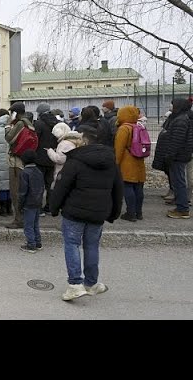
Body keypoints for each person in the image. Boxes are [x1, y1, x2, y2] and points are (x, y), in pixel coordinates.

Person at [50, 126, 123, 301]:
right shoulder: (111, 162)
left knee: (72, 244)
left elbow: (62, 186)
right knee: (91, 246)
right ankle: (91, 283)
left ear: (85, 140)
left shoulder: (76, 160)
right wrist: (113, 213)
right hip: (98, 212)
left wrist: (53, 207)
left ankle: (75, 284)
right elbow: (118, 189)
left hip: (74, 211)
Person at [156, 98, 193, 219]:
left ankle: (183, 209)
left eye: (172, 104)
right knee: (178, 181)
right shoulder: (179, 118)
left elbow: (176, 141)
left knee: (179, 182)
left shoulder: (180, 121)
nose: (170, 106)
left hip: (177, 157)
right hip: (178, 156)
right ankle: (180, 205)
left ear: (178, 106)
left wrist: (169, 155)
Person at [5, 102, 35, 229]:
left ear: (15, 112)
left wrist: (7, 126)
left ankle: (18, 220)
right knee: (24, 191)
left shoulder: (19, 123)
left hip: (16, 162)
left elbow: (9, 138)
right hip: (25, 161)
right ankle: (25, 218)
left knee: (15, 191)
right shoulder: (29, 123)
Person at [114, 105, 146, 222]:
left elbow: (119, 148)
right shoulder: (139, 126)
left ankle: (130, 213)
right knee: (138, 187)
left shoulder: (124, 128)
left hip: (127, 162)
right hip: (139, 161)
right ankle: (139, 213)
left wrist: (116, 163)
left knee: (127, 186)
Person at [33, 103, 59, 215]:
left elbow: (35, 140)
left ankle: (39, 209)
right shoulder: (57, 123)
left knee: (39, 185)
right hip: (52, 157)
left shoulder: (39, 124)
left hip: (40, 157)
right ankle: (50, 207)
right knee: (50, 185)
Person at [18, 149, 45, 253]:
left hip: (28, 203)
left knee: (28, 225)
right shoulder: (39, 172)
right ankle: (38, 242)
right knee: (35, 224)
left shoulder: (24, 173)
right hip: (37, 202)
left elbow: (22, 191)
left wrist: (20, 205)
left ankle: (31, 244)